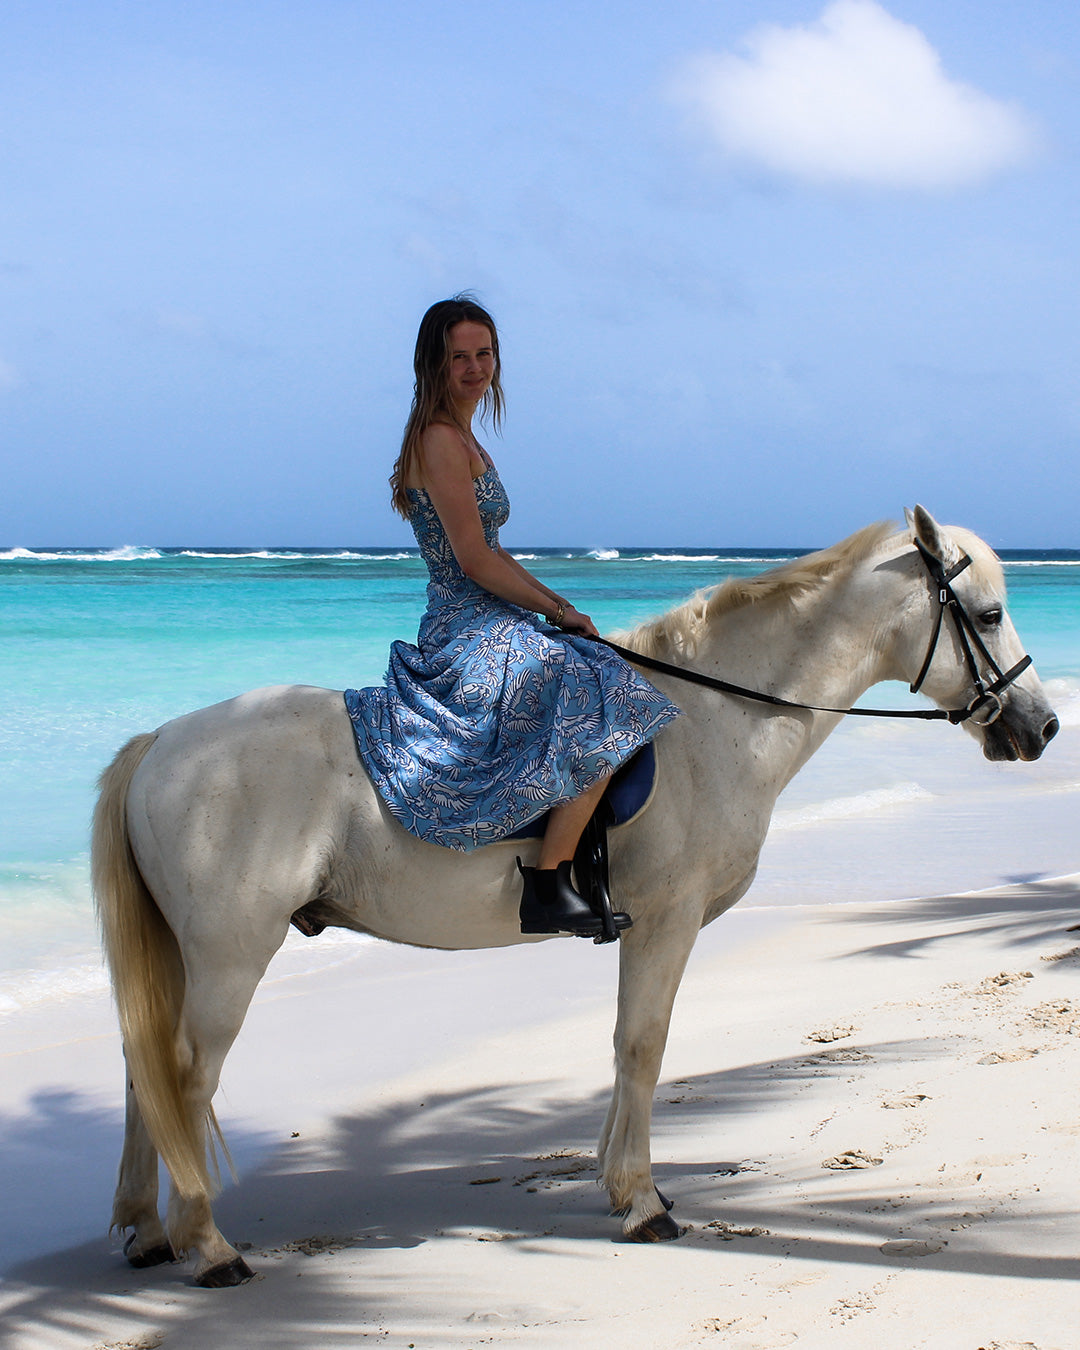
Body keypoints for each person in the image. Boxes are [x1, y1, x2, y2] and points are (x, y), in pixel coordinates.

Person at [344, 295, 680, 938]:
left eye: (484, 354)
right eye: (458, 357)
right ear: (433, 367)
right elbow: (472, 561)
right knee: (600, 695)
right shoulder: (441, 442)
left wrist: (565, 610)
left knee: (596, 662)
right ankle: (549, 882)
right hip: (464, 627)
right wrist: (555, 610)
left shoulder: (467, 439)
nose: (474, 368)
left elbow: (497, 554)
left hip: (495, 616)